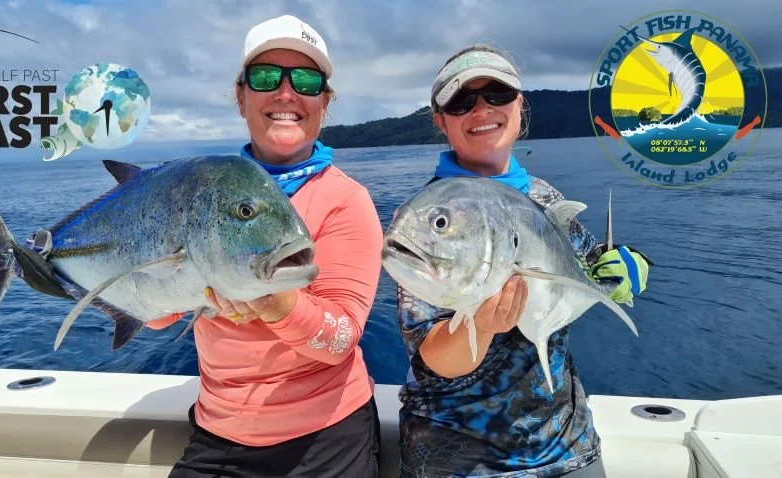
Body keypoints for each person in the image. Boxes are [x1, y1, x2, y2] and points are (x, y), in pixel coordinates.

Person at [396, 45, 653, 477]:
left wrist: (627, 269)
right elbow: (433, 359)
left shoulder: (546, 198)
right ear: (440, 120)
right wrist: (480, 326)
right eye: (461, 101)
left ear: (519, 105)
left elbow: (590, 269)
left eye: (497, 94)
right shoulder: (426, 222)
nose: (482, 109)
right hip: (457, 458)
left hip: (567, 444)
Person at [146, 15, 384, 478]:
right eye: (266, 77)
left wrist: (274, 304)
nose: (286, 93)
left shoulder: (346, 200)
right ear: (241, 97)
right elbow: (156, 317)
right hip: (220, 435)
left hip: (328, 438)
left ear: (325, 101)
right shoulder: (199, 192)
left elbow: (340, 341)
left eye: (307, 81)